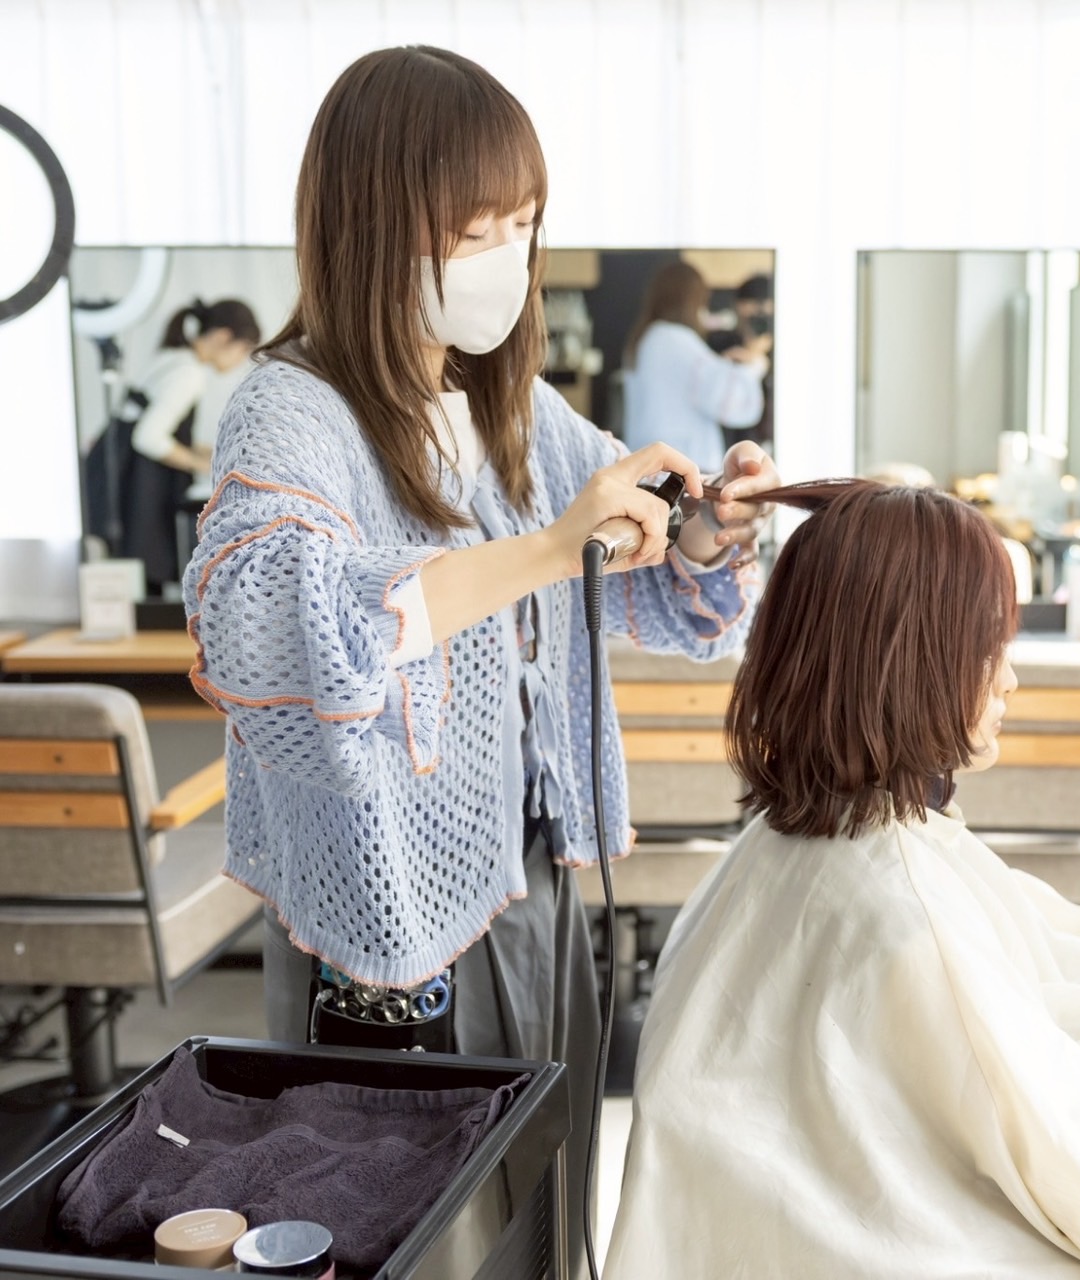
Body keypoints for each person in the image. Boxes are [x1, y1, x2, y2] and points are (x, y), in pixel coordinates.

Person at [180, 45, 778, 1280]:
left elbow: (642, 564)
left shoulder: (502, 406)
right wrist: (549, 545)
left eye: (525, 222)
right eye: (478, 226)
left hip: (532, 884)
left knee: (539, 1209)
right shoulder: (293, 411)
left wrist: (703, 523)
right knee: (421, 1231)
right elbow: (275, 629)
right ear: (374, 225)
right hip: (396, 913)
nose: (510, 253)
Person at [607, 478, 1080, 1279]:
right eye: (989, 644)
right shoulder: (908, 919)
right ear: (908, 657)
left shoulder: (800, 844)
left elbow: (1033, 931)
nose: (1010, 681)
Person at [84, 298, 260, 593]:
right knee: (146, 578)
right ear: (222, 337)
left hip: (117, 476)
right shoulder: (188, 374)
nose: (240, 361)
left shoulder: (173, 357)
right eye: (243, 351)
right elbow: (149, 437)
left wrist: (202, 450)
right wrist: (204, 465)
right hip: (138, 491)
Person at [621, 259, 769, 471]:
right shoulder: (675, 340)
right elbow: (730, 401)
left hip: (653, 465)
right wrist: (754, 363)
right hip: (681, 470)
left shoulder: (646, 338)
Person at [706, 271, 774, 452]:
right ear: (738, 306)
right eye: (753, 304)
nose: (758, 316)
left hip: (768, 438)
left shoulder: (784, 352)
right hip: (727, 440)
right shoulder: (720, 342)